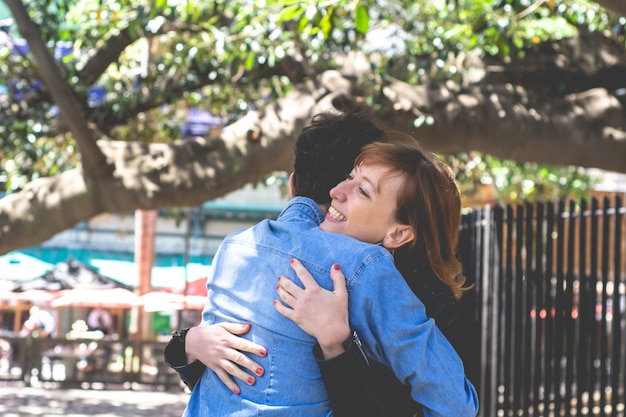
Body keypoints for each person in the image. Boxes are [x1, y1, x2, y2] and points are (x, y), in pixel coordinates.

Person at [167, 113, 478, 416]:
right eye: (349, 177)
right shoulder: (364, 268)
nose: (337, 194)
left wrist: (336, 344)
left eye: (363, 190)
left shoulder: (237, 245)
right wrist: (189, 343)